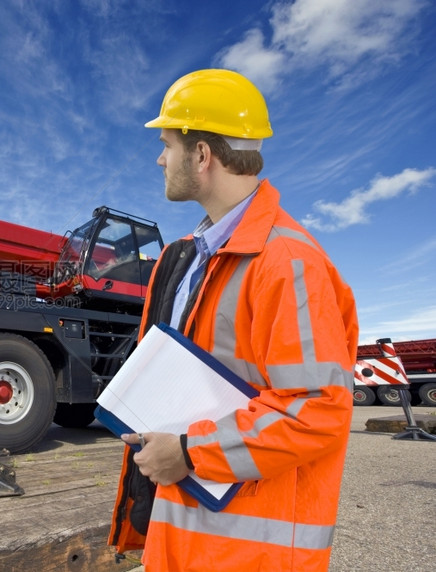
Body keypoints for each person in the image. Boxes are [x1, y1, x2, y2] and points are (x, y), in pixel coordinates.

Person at [107, 69, 358, 571]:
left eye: (167, 144)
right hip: (186, 538)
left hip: (248, 554)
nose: (160, 158)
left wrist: (190, 453)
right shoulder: (186, 259)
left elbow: (317, 411)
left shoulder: (287, 261)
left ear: (202, 155)